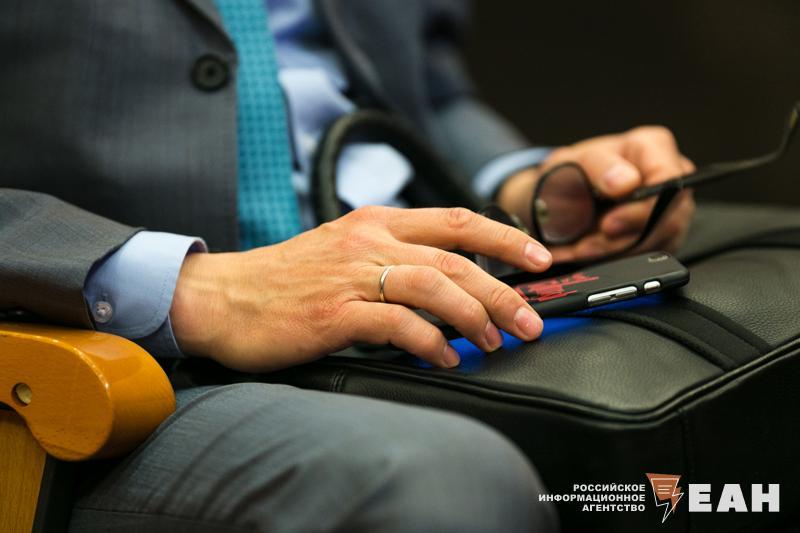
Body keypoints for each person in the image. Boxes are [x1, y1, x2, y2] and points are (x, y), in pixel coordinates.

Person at [0, 0, 694, 531]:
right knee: (449, 485)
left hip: (409, 285)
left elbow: (428, 88)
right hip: (118, 367)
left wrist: (519, 188)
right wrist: (202, 290)